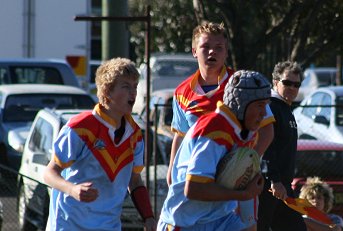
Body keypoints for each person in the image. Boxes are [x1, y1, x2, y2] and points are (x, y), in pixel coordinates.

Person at [167, 21, 275, 230]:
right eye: (206, 46)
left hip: (237, 180)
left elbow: (267, 129)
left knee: (247, 228)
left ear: (226, 53)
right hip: (198, 179)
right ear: (193, 51)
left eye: (219, 48)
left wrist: (246, 165)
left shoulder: (241, 86)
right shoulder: (181, 92)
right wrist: (172, 170)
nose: (212, 52)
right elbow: (180, 135)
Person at [43, 58, 156, 231]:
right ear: (107, 91)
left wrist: (148, 217)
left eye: (135, 86)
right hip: (69, 224)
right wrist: (72, 189)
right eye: (126, 86)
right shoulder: (80, 127)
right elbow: (50, 173)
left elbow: (135, 181)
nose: (133, 92)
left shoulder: (135, 135)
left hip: (108, 226)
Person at [158, 70, 270, 231]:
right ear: (241, 104)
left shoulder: (246, 132)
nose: (264, 113)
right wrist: (243, 194)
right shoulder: (214, 130)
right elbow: (193, 189)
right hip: (184, 222)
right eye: (260, 105)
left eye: (266, 105)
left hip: (219, 218)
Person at [257, 60, 307, 231]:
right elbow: (267, 146)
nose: (292, 88)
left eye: (296, 84)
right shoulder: (270, 106)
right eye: (287, 83)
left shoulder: (286, 109)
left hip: (283, 187)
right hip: (269, 186)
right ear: (276, 82)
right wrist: (274, 179)